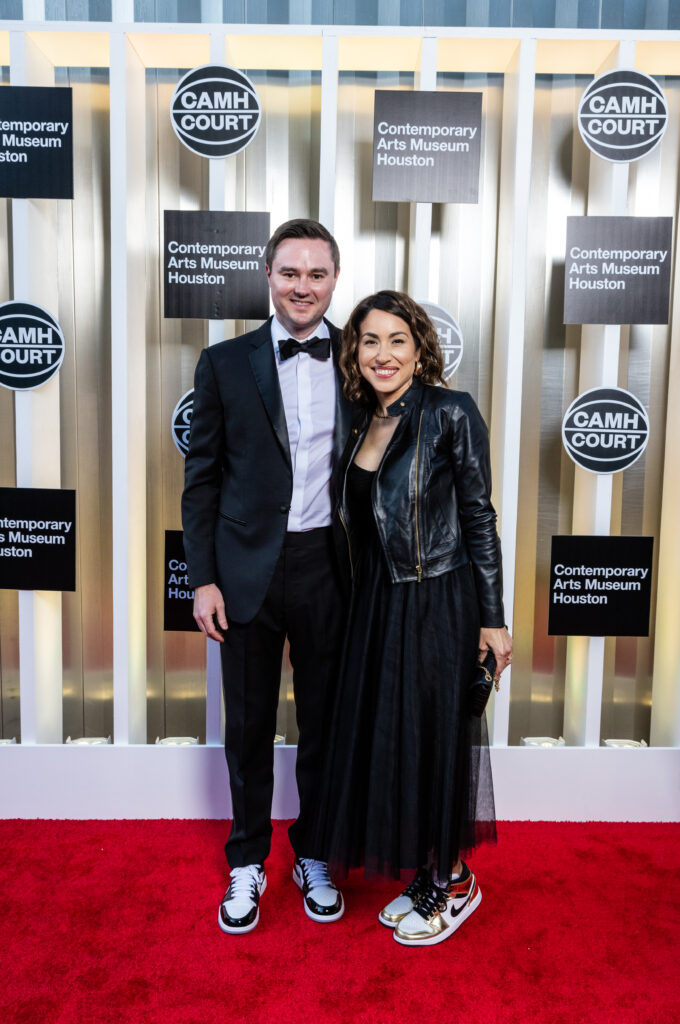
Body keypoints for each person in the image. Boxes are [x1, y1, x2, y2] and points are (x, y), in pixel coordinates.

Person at [311, 290, 513, 947]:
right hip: (375, 604)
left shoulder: (450, 412)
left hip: (437, 599)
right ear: (355, 352)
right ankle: (428, 872)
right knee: (393, 739)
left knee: (433, 741)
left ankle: (455, 882)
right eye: (370, 340)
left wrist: (492, 617)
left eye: (397, 339)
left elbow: (478, 517)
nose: (383, 353)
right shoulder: (361, 422)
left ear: (420, 347)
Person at [181, 219, 352, 934]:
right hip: (246, 571)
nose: (302, 286)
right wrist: (203, 579)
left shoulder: (360, 358)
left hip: (331, 570)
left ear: (333, 280)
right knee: (247, 728)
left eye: (316, 274)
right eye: (290, 272)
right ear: (268, 276)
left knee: (325, 727)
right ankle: (246, 860)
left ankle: (314, 852)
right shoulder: (223, 364)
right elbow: (202, 479)